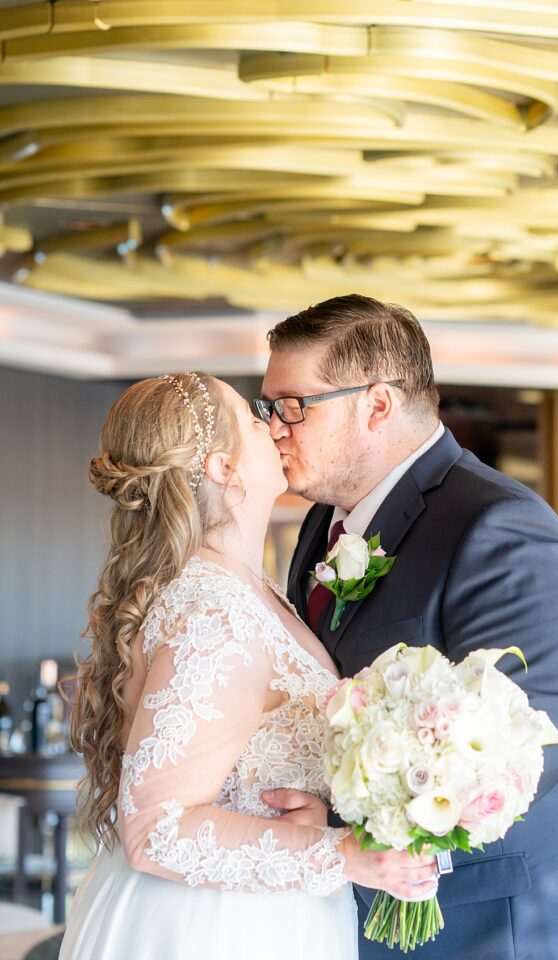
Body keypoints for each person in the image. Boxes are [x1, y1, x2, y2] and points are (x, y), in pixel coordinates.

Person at [259, 295, 558, 960]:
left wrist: (339, 824)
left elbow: (534, 747)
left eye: (293, 405)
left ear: (377, 405)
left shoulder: (498, 528)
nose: (274, 427)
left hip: (515, 925)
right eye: (269, 406)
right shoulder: (320, 528)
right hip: (376, 915)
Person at [59, 372, 437, 960]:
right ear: (222, 469)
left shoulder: (245, 588)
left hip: (256, 908)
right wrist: (340, 855)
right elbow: (157, 829)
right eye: (258, 420)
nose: (276, 425)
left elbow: (242, 770)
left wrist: (313, 818)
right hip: (213, 928)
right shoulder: (217, 610)